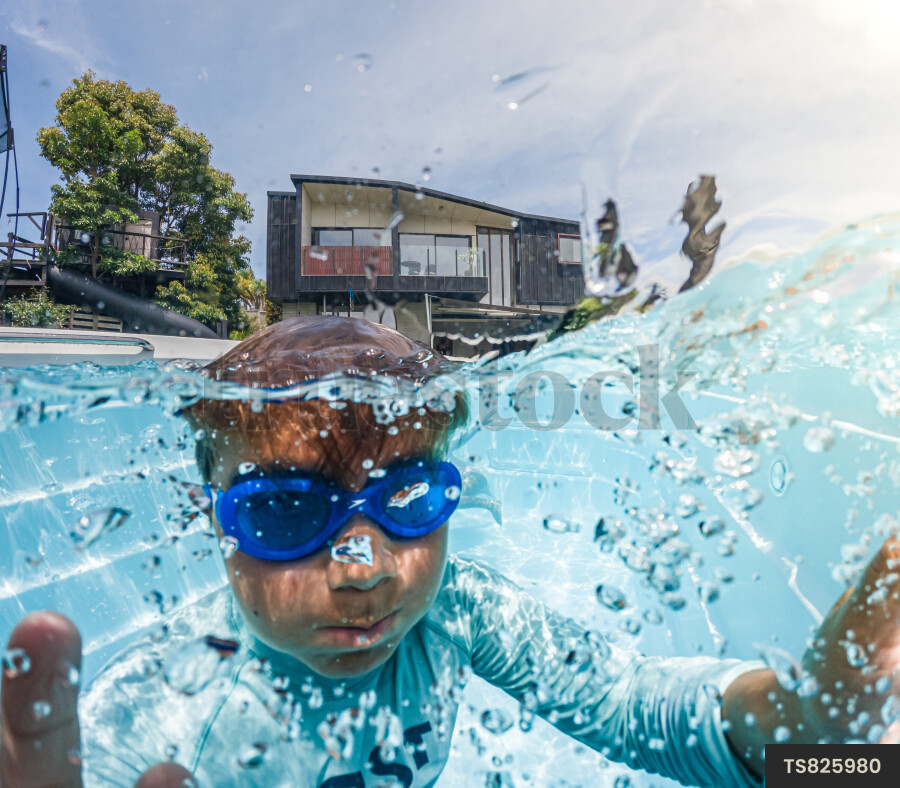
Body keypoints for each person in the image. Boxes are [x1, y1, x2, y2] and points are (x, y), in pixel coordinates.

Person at [1, 316, 898, 788]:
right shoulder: (164, 712)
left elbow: (632, 706)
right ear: (212, 518)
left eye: (410, 499)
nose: (367, 570)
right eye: (281, 513)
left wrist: (813, 738)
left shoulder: (460, 612)